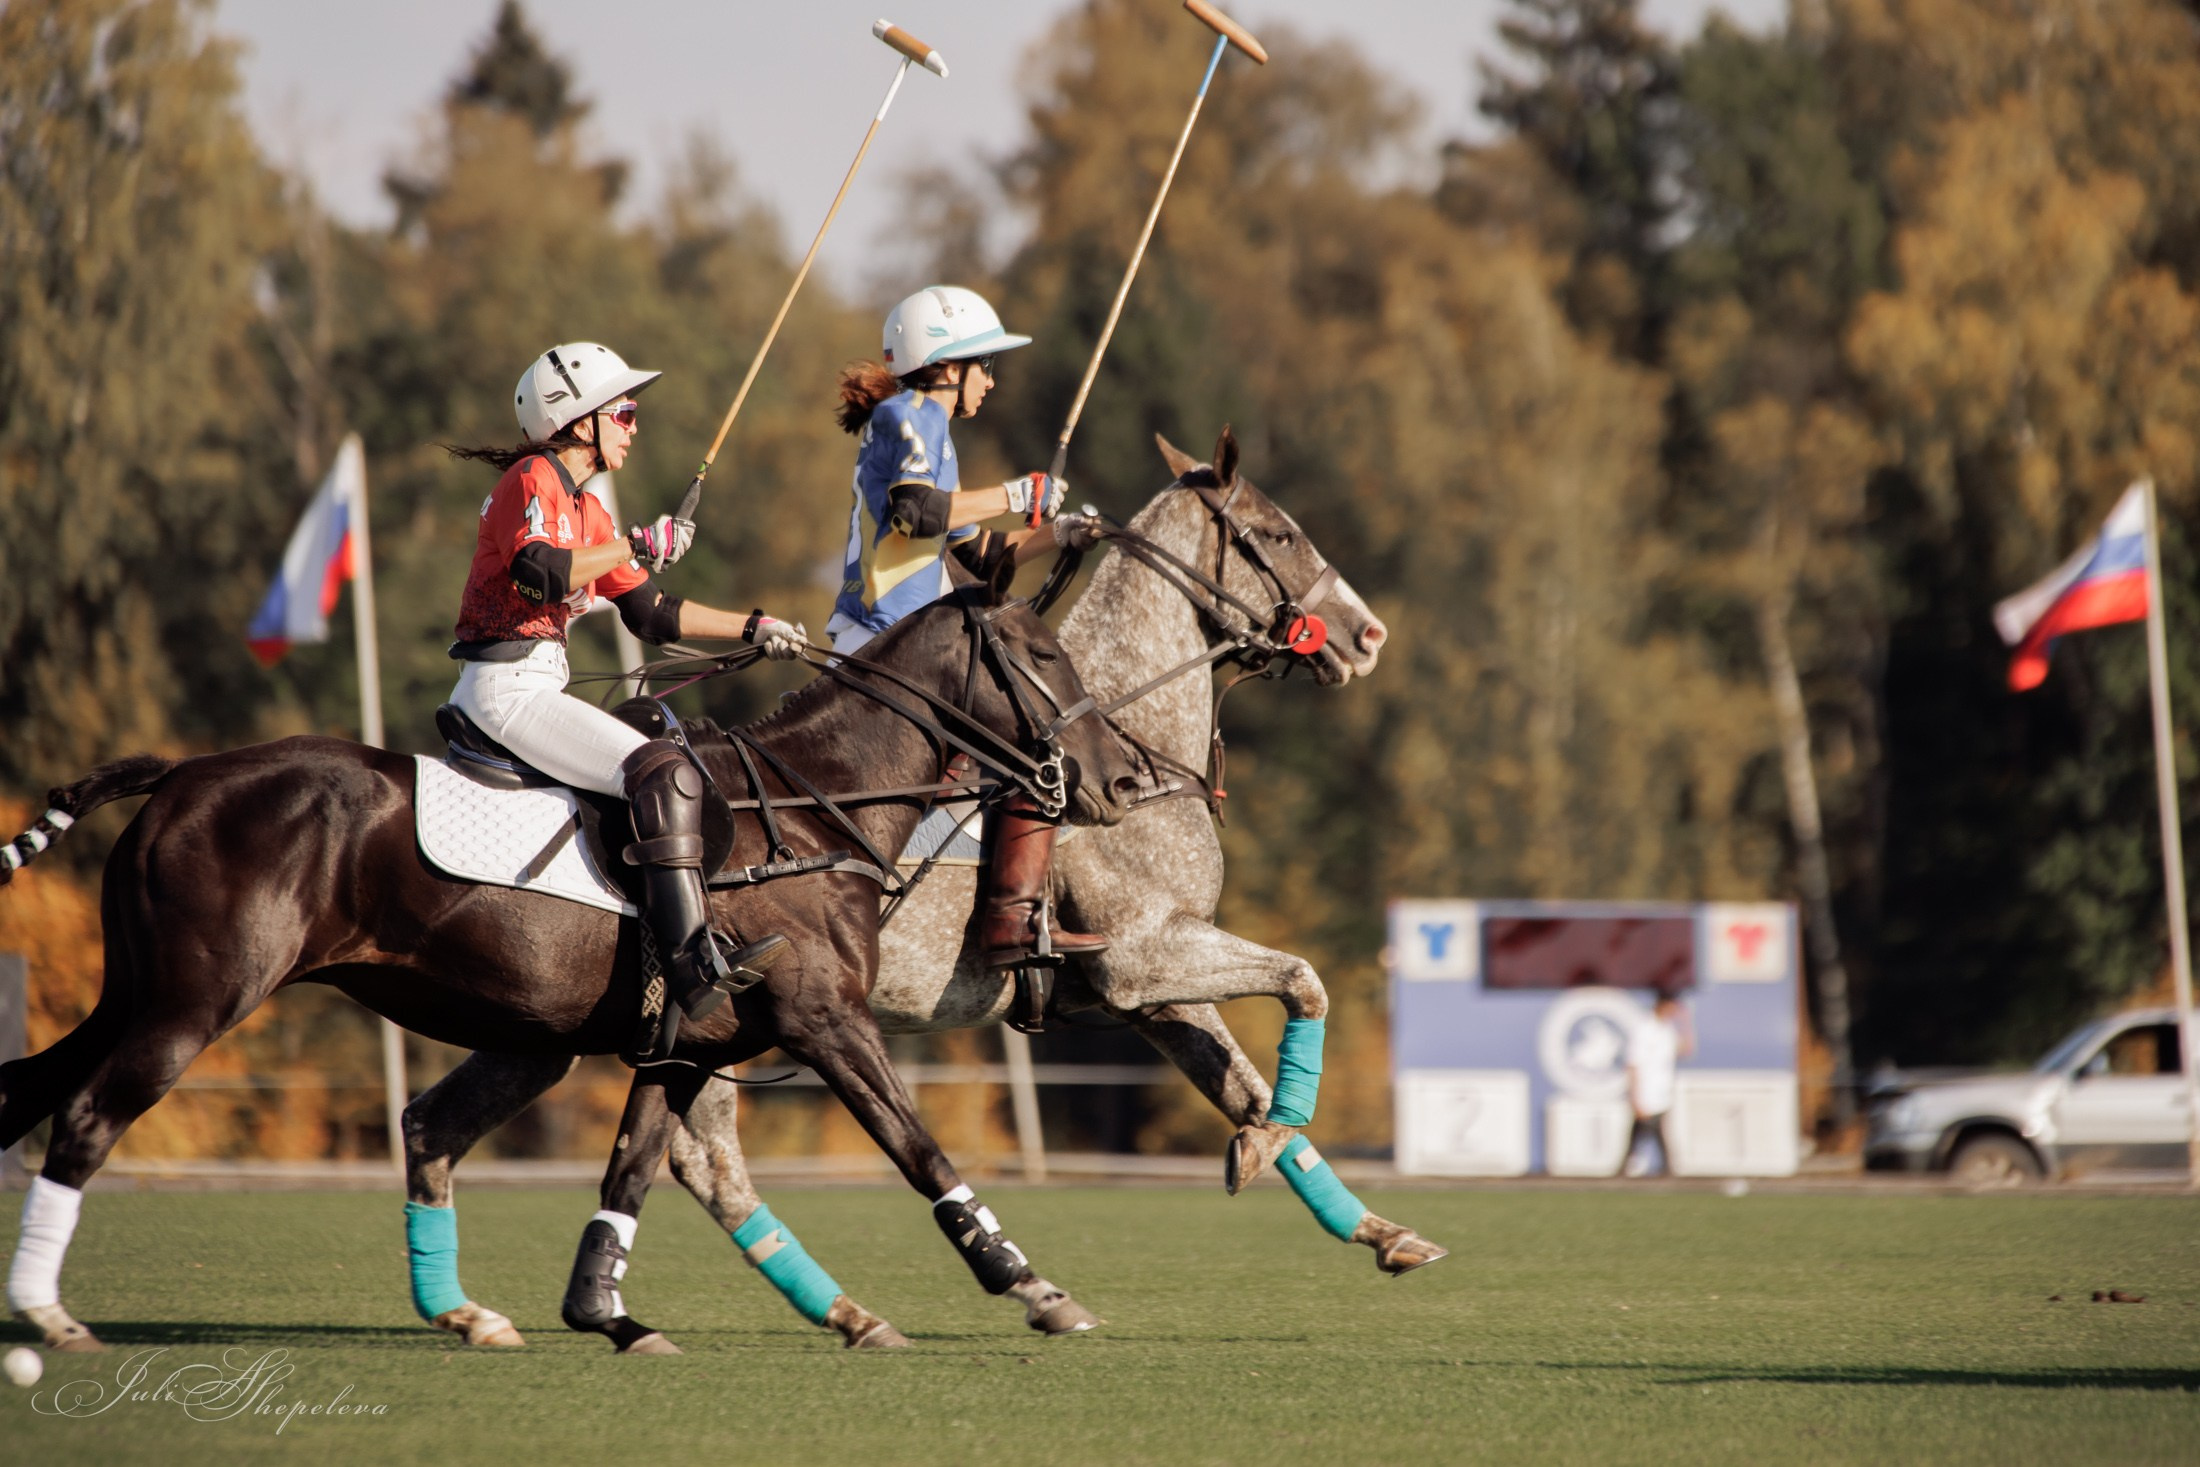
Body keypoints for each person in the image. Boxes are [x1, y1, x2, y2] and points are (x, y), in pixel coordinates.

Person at [446, 341, 805, 1024]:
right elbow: (541, 573)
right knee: (662, 772)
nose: (635, 427)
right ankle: (694, 964)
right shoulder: (534, 478)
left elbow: (652, 614)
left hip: (536, 686)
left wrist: (753, 625)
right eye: (627, 413)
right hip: (504, 690)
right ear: (580, 419)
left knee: (666, 743)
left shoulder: (589, 511)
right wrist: (640, 542)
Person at [826, 285, 1104, 970]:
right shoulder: (908, 413)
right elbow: (917, 513)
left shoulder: (933, 434)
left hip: (908, 641)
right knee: (1037, 735)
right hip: (891, 640)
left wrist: (1055, 533)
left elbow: (985, 555)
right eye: (985, 363)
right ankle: (1015, 922)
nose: (993, 379)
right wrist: (1017, 492)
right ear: (949, 366)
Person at [1620, 991, 1693, 1177]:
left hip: (1662, 1091)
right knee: (1647, 1129)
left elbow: (1686, 1050)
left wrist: (1686, 1023)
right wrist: (1635, 1096)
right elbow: (1633, 1064)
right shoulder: (1644, 1028)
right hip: (1646, 1091)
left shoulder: (1667, 1029)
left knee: (1649, 1130)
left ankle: (1632, 1166)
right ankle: (1663, 1168)